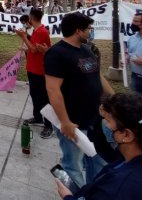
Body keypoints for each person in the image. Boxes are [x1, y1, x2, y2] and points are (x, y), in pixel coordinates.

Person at [55, 92, 142, 200]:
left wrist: (67, 196)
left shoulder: (118, 188)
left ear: (126, 135)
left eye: (107, 121)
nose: (104, 125)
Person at [45, 12, 114, 188]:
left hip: (94, 118)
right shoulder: (57, 54)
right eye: (88, 29)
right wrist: (65, 122)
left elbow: (97, 74)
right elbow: (53, 90)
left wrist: (115, 99)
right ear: (78, 31)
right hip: (73, 122)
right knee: (73, 165)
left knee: (97, 161)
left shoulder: (86, 49)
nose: (90, 32)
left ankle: (94, 193)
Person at [16, 9, 53, 139]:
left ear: (31, 18)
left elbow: (33, 49)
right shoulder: (37, 31)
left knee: (43, 98)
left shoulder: (42, 32)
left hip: (40, 70)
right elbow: (32, 48)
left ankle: (49, 125)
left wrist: (23, 37)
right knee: (34, 94)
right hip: (32, 68)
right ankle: (38, 117)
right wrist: (25, 43)